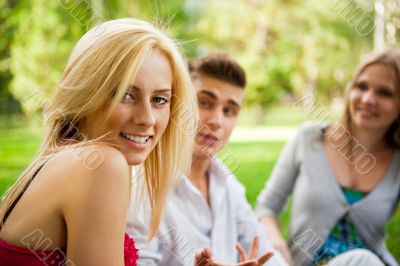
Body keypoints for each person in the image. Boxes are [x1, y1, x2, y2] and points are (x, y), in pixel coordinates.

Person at [0, 18, 197, 266]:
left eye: (159, 100)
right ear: (85, 94)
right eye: (126, 94)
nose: (147, 118)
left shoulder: (65, 159)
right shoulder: (100, 164)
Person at [127, 52, 287, 266]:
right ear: (175, 103)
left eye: (229, 111)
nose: (217, 121)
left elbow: (266, 254)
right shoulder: (141, 185)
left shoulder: (227, 185)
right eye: (204, 103)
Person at [256, 49, 400, 266]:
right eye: (361, 86)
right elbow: (266, 207)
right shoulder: (310, 139)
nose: (368, 99)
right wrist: (275, 243)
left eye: (385, 93)